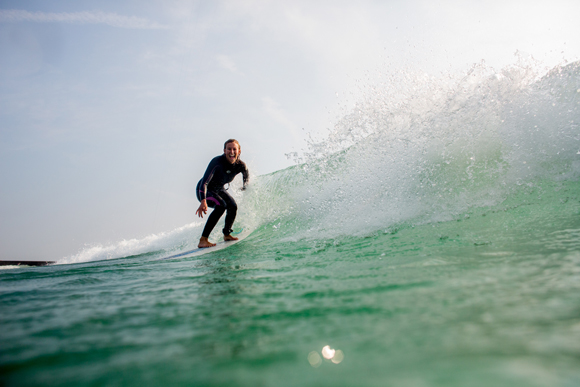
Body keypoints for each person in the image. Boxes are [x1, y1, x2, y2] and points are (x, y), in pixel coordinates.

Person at [195, 139, 249, 248]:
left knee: (232, 206)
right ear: (224, 150)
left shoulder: (241, 166)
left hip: (219, 189)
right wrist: (203, 200)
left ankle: (227, 234)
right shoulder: (217, 162)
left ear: (239, 151)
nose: (232, 151)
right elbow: (204, 183)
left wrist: (245, 188)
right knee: (221, 206)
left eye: (234, 149)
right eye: (229, 149)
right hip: (205, 190)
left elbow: (246, 178)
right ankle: (203, 239)